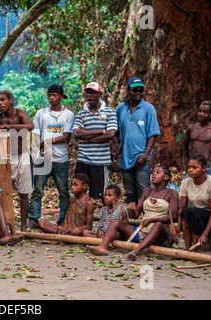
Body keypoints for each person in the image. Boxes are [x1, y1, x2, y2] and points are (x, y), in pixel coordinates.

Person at [87, 165, 179, 260]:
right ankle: (103, 247)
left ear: (166, 177)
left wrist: (152, 220)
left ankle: (135, 251)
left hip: (160, 235)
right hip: (142, 234)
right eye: (153, 172)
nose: (154, 174)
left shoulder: (172, 193)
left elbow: (174, 216)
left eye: (158, 172)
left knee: (158, 224)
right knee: (115, 222)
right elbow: (135, 216)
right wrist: (133, 209)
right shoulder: (147, 191)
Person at [28, 84, 74, 228]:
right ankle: (33, 219)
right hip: (43, 159)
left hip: (60, 159)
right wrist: (41, 149)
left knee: (64, 192)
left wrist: (48, 141)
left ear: (61, 97)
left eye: (54, 95)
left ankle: (63, 221)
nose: (51, 98)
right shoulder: (41, 113)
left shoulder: (68, 115)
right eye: (49, 95)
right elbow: (36, 135)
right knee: (37, 190)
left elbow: (66, 137)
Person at [0, 90, 35, 231]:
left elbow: (30, 126)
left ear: (11, 101)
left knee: (24, 193)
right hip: (5, 157)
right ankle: (5, 225)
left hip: (22, 156)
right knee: (3, 192)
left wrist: (11, 127)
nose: (0, 103)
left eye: (3, 100)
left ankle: (23, 226)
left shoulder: (20, 114)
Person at [116, 77, 160, 205]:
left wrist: (145, 155)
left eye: (141, 90)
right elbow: (114, 130)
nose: (138, 93)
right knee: (130, 193)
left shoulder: (148, 108)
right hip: (125, 158)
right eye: (135, 90)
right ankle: (132, 222)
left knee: (144, 192)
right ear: (128, 90)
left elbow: (153, 134)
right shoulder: (121, 108)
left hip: (141, 158)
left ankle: (146, 222)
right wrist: (118, 144)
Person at [74, 82, 117, 204]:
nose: (90, 95)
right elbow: (77, 133)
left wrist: (87, 136)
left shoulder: (109, 112)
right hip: (83, 158)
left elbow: (111, 134)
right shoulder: (81, 113)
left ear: (100, 94)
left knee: (104, 194)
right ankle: (79, 219)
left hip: (100, 160)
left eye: (93, 93)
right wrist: (101, 131)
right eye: (88, 92)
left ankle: (107, 219)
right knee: (78, 191)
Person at [175, 155, 211, 251]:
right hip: (198, 217)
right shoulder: (185, 182)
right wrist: (178, 226)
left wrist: (205, 234)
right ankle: (188, 248)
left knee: (193, 213)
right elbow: (182, 207)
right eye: (189, 167)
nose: (190, 170)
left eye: (194, 167)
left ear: (204, 168)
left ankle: (194, 250)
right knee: (187, 212)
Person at [182, 101, 211, 178]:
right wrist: (186, 162)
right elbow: (184, 145)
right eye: (200, 111)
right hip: (192, 165)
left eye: (205, 112)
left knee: (208, 189)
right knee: (189, 189)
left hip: (206, 166)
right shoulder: (191, 128)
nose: (201, 114)